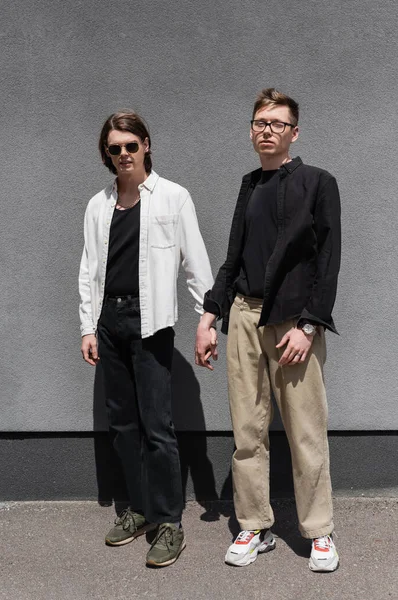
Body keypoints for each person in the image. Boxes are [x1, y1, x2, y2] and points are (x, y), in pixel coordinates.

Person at [195, 88, 341, 572]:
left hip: (292, 327)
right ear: (251, 129)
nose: (267, 130)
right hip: (242, 317)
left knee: (305, 433)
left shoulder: (319, 182)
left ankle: (319, 531)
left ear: (294, 132)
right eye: (260, 122)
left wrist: (308, 324)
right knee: (247, 433)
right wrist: (209, 315)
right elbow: (233, 257)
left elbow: (327, 261)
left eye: (278, 123)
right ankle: (255, 525)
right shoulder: (249, 185)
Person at [79, 111, 213, 567]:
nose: (122, 155)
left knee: (158, 427)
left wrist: (205, 319)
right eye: (114, 148)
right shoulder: (98, 204)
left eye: (130, 146)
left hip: (151, 322)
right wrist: (87, 326)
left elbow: (196, 262)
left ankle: (169, 521)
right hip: (109, 323)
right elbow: (89, 272)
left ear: (146, 145)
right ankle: (140, 510)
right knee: (122, 426)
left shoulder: (173, 198)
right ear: (107, 154)